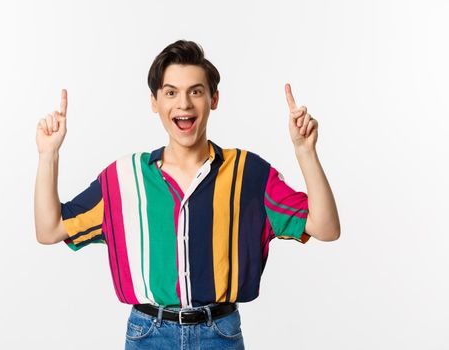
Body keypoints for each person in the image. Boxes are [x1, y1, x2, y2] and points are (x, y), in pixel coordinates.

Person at [34, 40, 340, 349]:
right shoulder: (122, 178)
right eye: (170, 92)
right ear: (155, 102)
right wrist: (48, 155)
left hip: (219, 335)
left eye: (195, 91)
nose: (184, 104)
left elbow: (325, 227)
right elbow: (50, 229)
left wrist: (305, 151)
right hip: (148, 336)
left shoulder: (249, 173)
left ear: (213, 98)